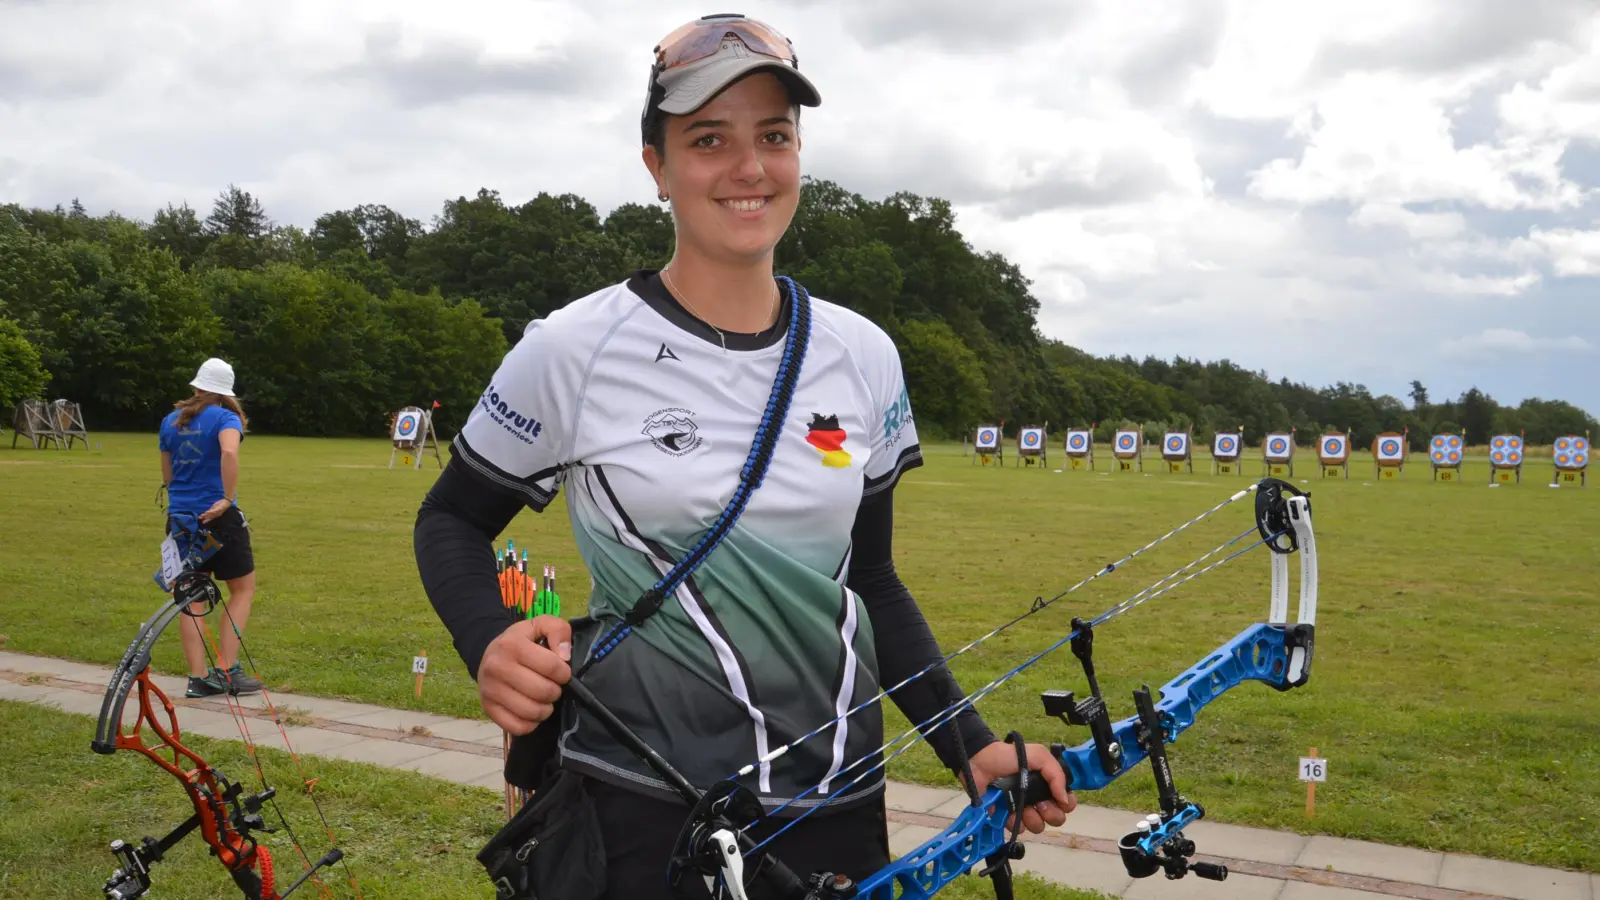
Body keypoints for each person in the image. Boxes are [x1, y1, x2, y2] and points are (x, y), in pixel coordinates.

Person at [414, 13, 1074, 899]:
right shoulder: (572, 348)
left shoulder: (864, 353)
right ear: (657, 166)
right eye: (708, 139)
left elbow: (867, 581)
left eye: (774, 135)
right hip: (638, 808)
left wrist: (970, 743)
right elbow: (451, 517)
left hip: (834, 806)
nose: (749, 167)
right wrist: (486, 637)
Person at [159, 357, 263, 699]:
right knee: (243, 590)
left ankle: (198, 678)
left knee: (192, 599)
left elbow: (168, 475)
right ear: (224, 391)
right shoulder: (226, 417)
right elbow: (229, 454)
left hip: (181, 519)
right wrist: (226, 498)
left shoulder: (169, 421)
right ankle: (228, 671)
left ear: (197, 385)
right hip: (218, 518)